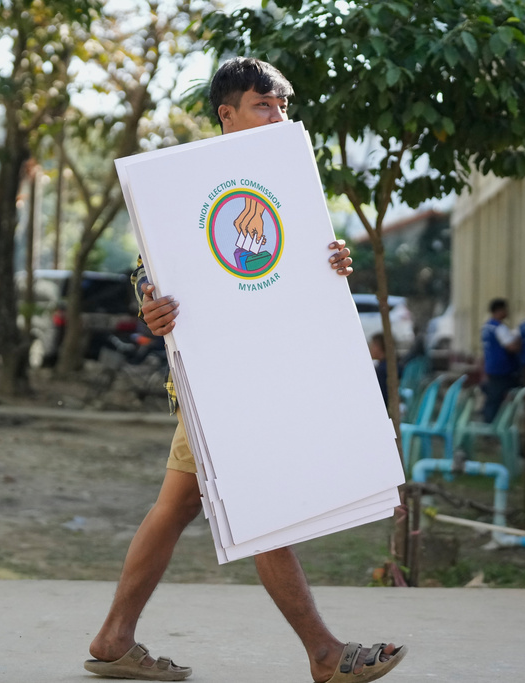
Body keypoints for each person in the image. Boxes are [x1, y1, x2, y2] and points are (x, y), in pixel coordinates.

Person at [85, 57, 406, 683]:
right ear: (226, 114)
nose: (278, 117)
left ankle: (113, 637)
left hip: (265, 373)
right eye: (264, 106)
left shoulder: (283, 178)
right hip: (215, 383)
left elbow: (290, 266)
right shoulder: (182, 183)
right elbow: (150, 268)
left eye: (283, 106)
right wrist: (152, 302)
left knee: (176, 508)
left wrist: (332, 260)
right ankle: (324, 653)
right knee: (259, 506)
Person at [480, 298, 520, 423]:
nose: (507, 312)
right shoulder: (499, 328)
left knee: (492, 398)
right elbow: (511, 347)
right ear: (499, 310)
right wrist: (520, 341)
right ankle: (491, 427)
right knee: (496, 400)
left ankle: (488, 424)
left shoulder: (486, 327)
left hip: (491, 368)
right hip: (502, 369)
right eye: (505, 309)